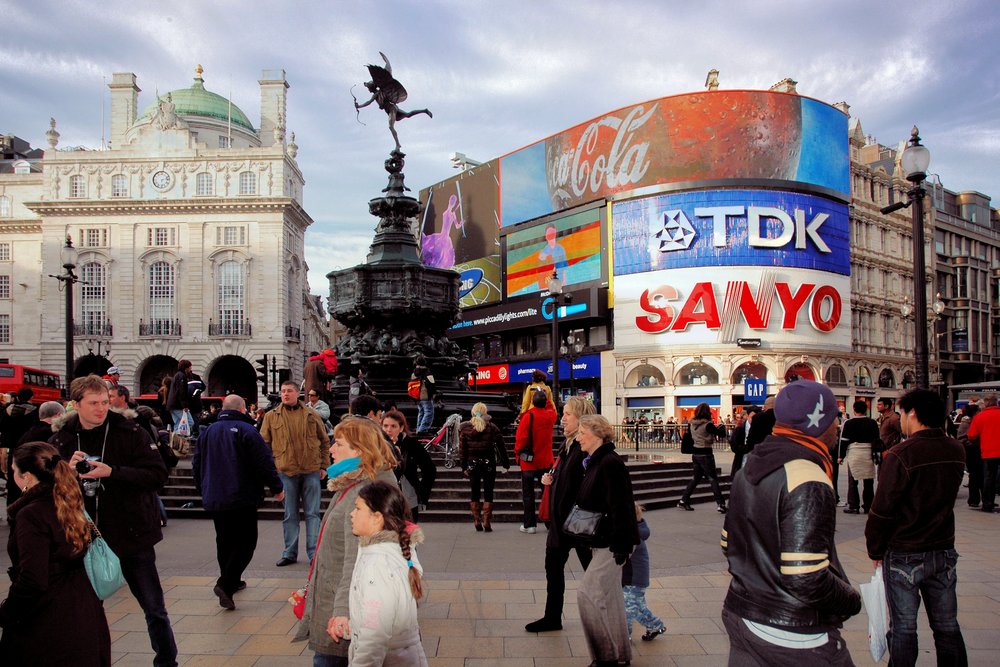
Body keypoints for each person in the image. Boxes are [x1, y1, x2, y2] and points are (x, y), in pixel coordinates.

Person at [722, 380, 861, 666]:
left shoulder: (751, 465)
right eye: (834, 417)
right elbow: (805, 577)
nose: (837, 425)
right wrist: (851, 600)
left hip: (742, 613)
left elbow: (728, 543)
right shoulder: (807, 476)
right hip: (791, 632)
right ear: (820, 421)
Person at [51, 374, 177, 667]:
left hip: (132, 533)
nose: (101, 408)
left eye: (105, 402)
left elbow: (157, 475)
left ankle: (167, 661)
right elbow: (45, 486)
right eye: (93, 403)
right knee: (86, 611)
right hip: (84, 536)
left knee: (154, 608)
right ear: (76, 404)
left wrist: (112, 472)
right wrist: (65, 472)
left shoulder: (130, 431)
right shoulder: (62, 438)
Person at [865, 389, 968, 666]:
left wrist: (875, 548)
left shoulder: (900, 454)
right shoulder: (955, 449)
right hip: (943, 547)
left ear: (913, 413)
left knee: (904, 628)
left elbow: (883, 509)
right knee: (947, 626)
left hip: (904, 551)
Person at [293, 416, 398, 667]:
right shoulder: (352, 483)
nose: (330, 449)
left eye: (338, 443)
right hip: (336, 598)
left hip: (343, 613)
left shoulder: (366, 492)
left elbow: (357, 560)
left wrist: (343, 612)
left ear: (359, 450)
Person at [0, 442, 112, 666]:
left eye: (13, 470)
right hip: (83, 608)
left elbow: (33, 579)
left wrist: (7, 612)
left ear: (28, 477)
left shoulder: (31, 513)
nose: (12, 474)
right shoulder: (69, 499)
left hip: (48, 619)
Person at [193, 395, 285, 611]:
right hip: (242, 495)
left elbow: (197, 464)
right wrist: (277, 488)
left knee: (224, 540)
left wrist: (203, 489)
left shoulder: (207, 432)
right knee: (246, 542)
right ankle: (225, 583)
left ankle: (232, 580)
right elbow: (263, 462)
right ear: (243, 409)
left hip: (215, 496)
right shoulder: (247, 430)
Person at [573, 414, 639, 667]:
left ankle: (604, 656)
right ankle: (620, 654)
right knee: (610, 598)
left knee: (587, 595)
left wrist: (621, 545)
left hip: (613, 542)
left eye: (582, 433)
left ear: (597, 434)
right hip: (606, 539)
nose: (578, 438)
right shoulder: (594, 461)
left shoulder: (609, 462)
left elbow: (621, 505)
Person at [526, 395, 595, 632]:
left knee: (595, 573)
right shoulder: (568, 445)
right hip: (560, 524)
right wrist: (551, 479)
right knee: (553, 570)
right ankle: (552, 617)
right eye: (563, 413)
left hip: (577, 524)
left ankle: (615, 612)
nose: (562, 418)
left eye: (568, 414)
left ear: (582, 418)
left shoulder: (585, 447)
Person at [345, 480, 428, 666]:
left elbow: (374, 635)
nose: (352, 514)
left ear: (377, 517)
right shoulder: (393, 551)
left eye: (358, 509)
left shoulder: (378, 565)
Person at [261, 380, 330, 567]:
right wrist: (272, 466)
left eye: (289, 391)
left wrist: (324, 466)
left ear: (297, 393)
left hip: (311, 470)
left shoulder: (312, 414)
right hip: (286, 471)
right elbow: (264, 445)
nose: (285, 394)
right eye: (283, 391)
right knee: (290, 514)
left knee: (313, 514)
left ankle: (313, 552)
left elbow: (324, 442)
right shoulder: (271, 416)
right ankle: (289, 552)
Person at [458, 401, 509, 532]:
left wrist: (463, 466)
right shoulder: (492, 427)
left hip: (472, 463)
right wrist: (506, 463)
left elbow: (462, 450)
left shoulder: (465, 428)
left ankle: (476, 520)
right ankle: (486, 521)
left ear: (473, 412)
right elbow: (501, 447)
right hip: (489, 463)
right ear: (485, 412)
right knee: (488, 491)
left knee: (474, 492)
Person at [381, 409, 436, 523]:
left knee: (408, 535)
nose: (388, 430)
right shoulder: (376, 445)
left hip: (407, 498)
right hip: (382, 497)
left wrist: (421, 492)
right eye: (385, 426)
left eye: (393, 426)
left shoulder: (412, 445)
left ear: (401, 428)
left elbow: (430, 470)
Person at [514, 389, 557, 533]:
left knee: (528, 495)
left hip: (529, 462)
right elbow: (552, 408)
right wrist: (547, 394)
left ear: (532, 402)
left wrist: (517, 454)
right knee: (547, 493)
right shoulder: (550, 415)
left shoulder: (528, 416)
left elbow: (521, 439)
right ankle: (549, 522)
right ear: (545, 402)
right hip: (545, 460)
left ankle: (530, 524)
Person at [623, 503, 666, 642]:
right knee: (638, 606)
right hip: (634, 577)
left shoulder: (632, 534)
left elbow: (623, 555)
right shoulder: (636, 529)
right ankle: (655, 625)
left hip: (634, 578)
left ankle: (624, 638)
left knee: (628, 610)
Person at [677, 402, 728, 513]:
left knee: (696, 478)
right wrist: (721, 426)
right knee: (712, 478)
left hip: (695, 453)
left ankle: (683, 500)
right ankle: (721, 504)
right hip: (706, 453)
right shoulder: (708, 425)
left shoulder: (691, 423)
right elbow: (722, 434)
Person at [838, 400, 880, 514]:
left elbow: (844, 441)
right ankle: (868, 505)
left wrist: (840, 456)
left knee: (853, 481)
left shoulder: (849, 423)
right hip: (868, 452)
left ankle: (853, 505)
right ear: (866, 409)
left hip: (854, 452)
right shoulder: (872, 423)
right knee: (868, 480)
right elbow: (877, 440)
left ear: (854, 409)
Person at [2, 389, 43, 505]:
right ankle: (24, 505)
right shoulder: (35, 411)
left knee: (13, 480)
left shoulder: (7, 410)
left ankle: (11, 506)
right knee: (28, 480)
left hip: (12, 449)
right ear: (31, 397)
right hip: (28, 449)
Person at [968, 393, 1000, 513]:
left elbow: (971, 436)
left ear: (985, 403)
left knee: (988, 478)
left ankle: (987, 504)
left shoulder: (980, 417)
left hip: (988, 452)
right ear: (996, 402)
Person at [956, 403, 983, 508]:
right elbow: (961, 438)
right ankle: (973, 499)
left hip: (976, 451)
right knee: (974, 475)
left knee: (979, 475)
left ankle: (978, 498)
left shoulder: (973, 422)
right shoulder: (966, 423)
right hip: (971, 452)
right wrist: (973, 443)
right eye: (978, 411)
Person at [729, 406, 758, 476]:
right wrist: (747, 448)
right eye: (752, 417)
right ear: (747, 416)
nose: (754, 420)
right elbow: (734, 446)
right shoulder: (740, 428)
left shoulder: (761, 428)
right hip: (742, 461)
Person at [165, 360, 194, 430]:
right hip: (178, 405)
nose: (191, 369)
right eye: (190, 367)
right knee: (189, 422)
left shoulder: (177, 375)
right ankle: (182, 438)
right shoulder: (182, 376)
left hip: (172, 405)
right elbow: (182, 392)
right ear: (186, 368)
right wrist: (185, 406)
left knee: (178, 424)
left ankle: (175, 440)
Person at [411, 358, 436, 435]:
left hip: (417, 396)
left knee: (421, 412)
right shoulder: (427, 372)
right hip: (425, 395)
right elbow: (431, 385)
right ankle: (423, 429)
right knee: (429, 412)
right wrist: (433, 394)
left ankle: (418, 429)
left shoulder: (414, 373)